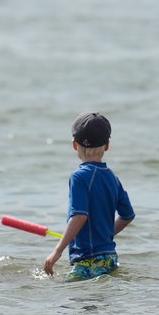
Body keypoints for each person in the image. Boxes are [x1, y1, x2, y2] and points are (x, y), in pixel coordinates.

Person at [42, 112, 135, 279]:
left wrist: (57, 251)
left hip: (87, 260)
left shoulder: (79, 176)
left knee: (75, 300)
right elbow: (127, 215)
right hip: (110, 257)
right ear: (107, 145)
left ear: (74, 145)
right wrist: (104, 235)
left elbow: (79, 216)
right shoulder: (112, 178)